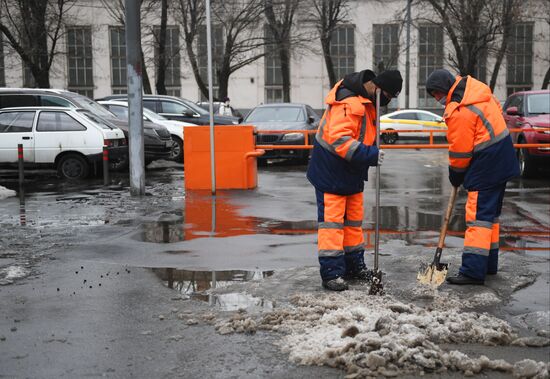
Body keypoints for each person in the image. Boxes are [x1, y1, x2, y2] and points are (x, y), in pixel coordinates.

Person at [307, 69, 403, 291]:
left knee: (352, 223)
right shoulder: (349, 102)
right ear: (379, 89)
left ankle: (354, 267)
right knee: (332, 225)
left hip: (351, 172)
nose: (387, 101)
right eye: (388, 96)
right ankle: (332, 273)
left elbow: (361, 134)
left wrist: (376, 143)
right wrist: (370, 155)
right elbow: (340, 141)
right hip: (331, 172)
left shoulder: (367, 102)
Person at [426, 69, 520, 285]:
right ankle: (488, 265)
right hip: (503, 156)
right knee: (489, 217)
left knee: (478, 217)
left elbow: (460, 150)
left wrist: (456, 173)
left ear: (443, 90)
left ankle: (472, 271)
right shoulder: (477, 91)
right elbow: (496, 113)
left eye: (436, 95)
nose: (437, 99)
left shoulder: (459, 109)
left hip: (487, 163)